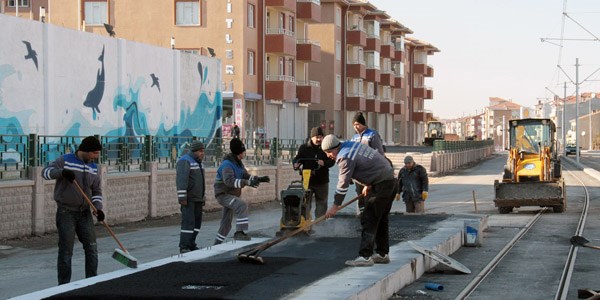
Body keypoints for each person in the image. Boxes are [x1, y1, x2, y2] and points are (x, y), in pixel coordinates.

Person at [322, 134, 397, 267]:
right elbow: (370, 163)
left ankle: (365, 256)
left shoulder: (344, 156)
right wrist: (368, 184)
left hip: (382, 184)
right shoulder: (350, 145)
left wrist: (335, 206)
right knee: (381, 219)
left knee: (369, 218)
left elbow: (343, 184)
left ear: (336, 148)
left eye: (329, 152)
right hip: (388, 180)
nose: (328, 156)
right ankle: (382, 254)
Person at [41, 136, 104, 285]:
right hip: (66, 212)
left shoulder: (93, 167)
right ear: (86, 150)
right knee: (66, 251)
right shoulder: (65, 160)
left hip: (85, 213)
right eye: (94, 153)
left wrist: (98, 209)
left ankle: (92, 282)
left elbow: (96, 191)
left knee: (92, 249)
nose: (96, 156)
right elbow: (45, 172)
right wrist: (62, 173)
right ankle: (63, 286)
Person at [214, 138, 270, 244]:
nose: (245, 153)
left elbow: (245, 176)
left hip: (231, 195)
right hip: (223, 195)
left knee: (226, 223)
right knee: (241, 205)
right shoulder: (227, 165)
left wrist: (258, 179)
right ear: (240, 152)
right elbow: (229, 182)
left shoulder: (238, 163)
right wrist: (247, 183)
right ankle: (240, 232)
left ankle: (216, 244)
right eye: (244, 151)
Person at [292, 127, 335, 218]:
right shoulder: (304, 148)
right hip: (308, 181)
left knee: (322, 204)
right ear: (311, 137)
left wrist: (324, 163)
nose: (319, 139)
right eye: (317, 137)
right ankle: (306, 222)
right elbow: (298, 158)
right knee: (306, 203)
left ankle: (320, 224)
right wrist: (296, 163)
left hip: (322, 181)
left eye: (321, 137)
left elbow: (332, 161)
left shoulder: (326, 147)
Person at [350, 112, 386, 215]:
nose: (356, 127)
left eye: (357, 124)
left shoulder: (372, 135)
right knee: (360, 195)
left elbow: (379, 153)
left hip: (370, 171)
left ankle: (370, 216)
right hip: (359, 172)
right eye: (354, 125)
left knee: (369, 195)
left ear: (363, 124)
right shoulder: (354, 137)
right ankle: (362, 216)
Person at [176, 141, 206, 253]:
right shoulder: (185, 161)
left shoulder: (199, 162)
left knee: (197, 223)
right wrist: (182, 198)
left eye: (203, 151)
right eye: (200, 151)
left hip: (198, 198)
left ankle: (191, 243)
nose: (203, 153)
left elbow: (201, 182)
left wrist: (203, 197)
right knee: (188, 223)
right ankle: (184, 246)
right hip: (189, 199)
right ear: (195, 151)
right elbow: (181, 181)